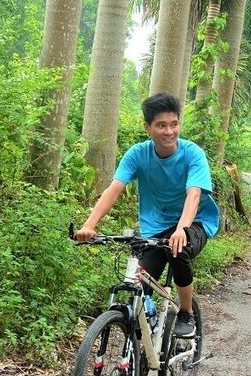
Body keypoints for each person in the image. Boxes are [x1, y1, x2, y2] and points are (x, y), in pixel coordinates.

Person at [75, 93, 220, 337]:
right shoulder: (137, 154)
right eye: (161, 125)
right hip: (155, 227)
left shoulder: (192, 154)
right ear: (148, 127)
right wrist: (89, 225)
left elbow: (194, 195)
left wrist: (181, 229)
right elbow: (114, 190)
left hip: (195, 222)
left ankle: (186, 312)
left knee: (178, 250)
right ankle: (141, 346)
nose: (169, 131)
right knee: (138, 283)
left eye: (174, 124)